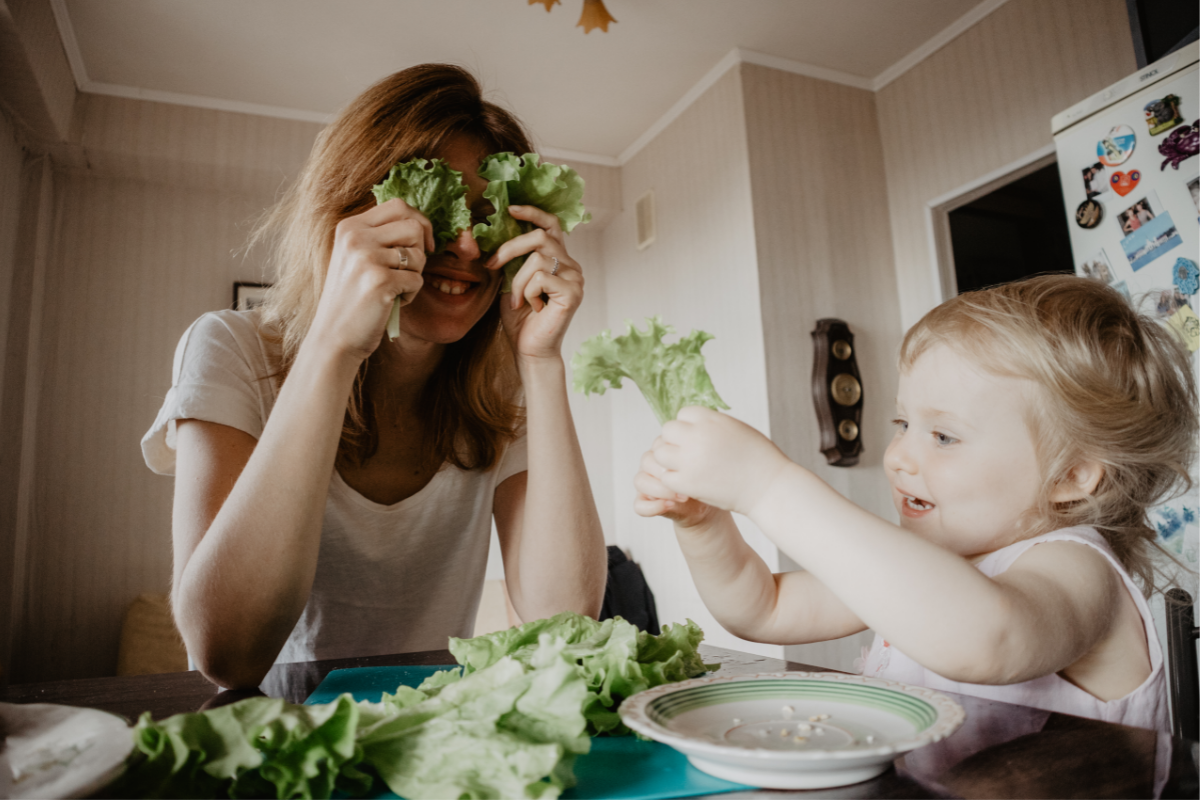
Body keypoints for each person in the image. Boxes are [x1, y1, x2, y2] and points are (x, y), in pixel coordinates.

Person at [142, 64, 607, 689]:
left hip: (430, 745)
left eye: (489, 217)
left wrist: (542, 363)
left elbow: (563, 624)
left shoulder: (503, 391)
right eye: (435, 207)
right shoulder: (231, 348)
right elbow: (226, 653)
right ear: (347, 212)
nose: (468, 248)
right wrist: (335, 344)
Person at [634, 275, 1197, 731]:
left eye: (943, 436)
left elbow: (987, 639)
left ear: (1071, 475)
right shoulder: (927, 564)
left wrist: (767, 485)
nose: (899, 454)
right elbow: (764, 609)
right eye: (903, 422)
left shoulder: (1080, 568)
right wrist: (705, 524)